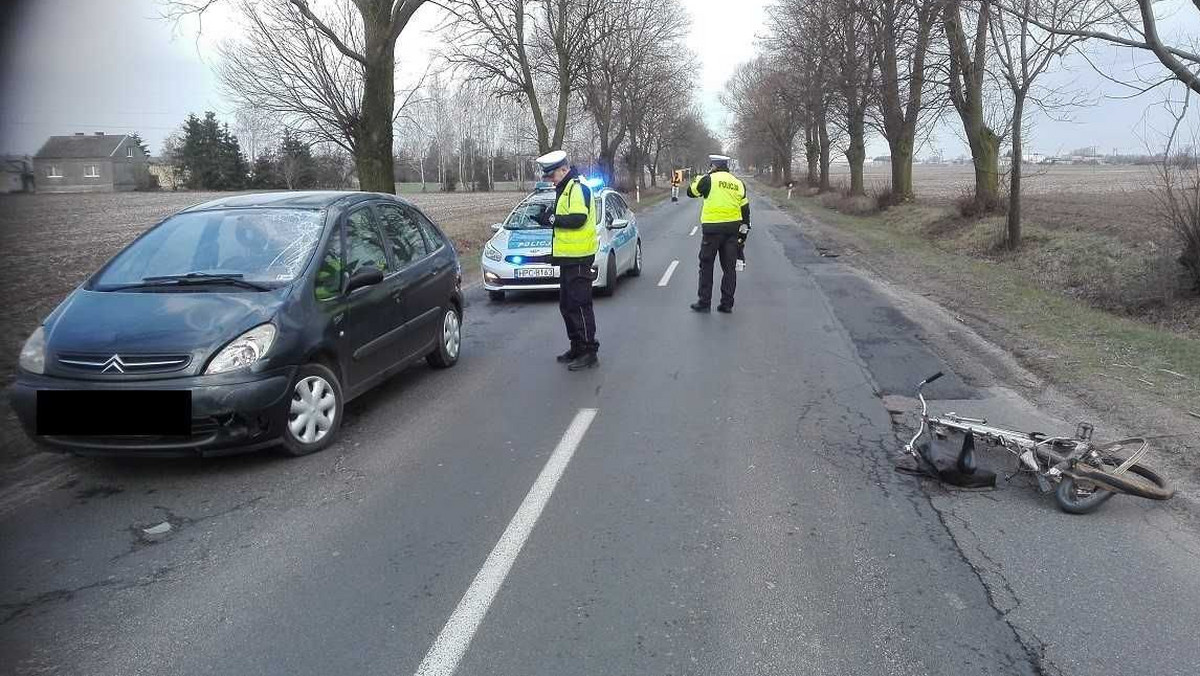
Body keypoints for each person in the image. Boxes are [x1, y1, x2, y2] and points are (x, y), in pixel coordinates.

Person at [534, 150, 600, 371]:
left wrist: (551, 219)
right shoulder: (565, 190)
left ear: (564, 169)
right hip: (568, 259)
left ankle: (589, 351)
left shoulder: (577, 189)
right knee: (567, 305)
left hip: (579, 257)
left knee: (580, 306)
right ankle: (577, 346)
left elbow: (578, 219)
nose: (551, 180)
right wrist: (546, 218)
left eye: (552, 175)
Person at [686, 154, 749, 313]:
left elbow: (690, 192)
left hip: (712, 231)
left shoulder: (708, 180)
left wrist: (699, 178)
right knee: (729, 268)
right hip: (732, 231)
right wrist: (743, 234)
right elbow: (745, 210)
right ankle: (727, 304)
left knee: (706, 265)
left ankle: (704, 302)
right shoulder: (738, 183)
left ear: (714, 166)